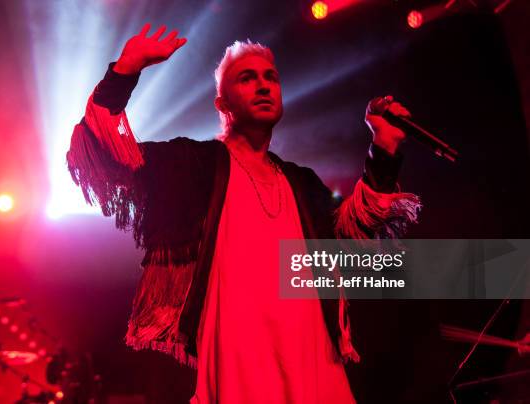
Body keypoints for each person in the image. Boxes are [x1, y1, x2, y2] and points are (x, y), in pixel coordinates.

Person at [67, 23, 420, 403]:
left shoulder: (301, 183)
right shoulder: (194, 165)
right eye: (247, 79)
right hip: (239, 360)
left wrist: (383, 149)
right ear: (222, 104)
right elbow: (104, 150)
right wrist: (125, 70)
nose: (264, 85)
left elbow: (357, 236)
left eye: (271, 77)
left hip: (314, 360)